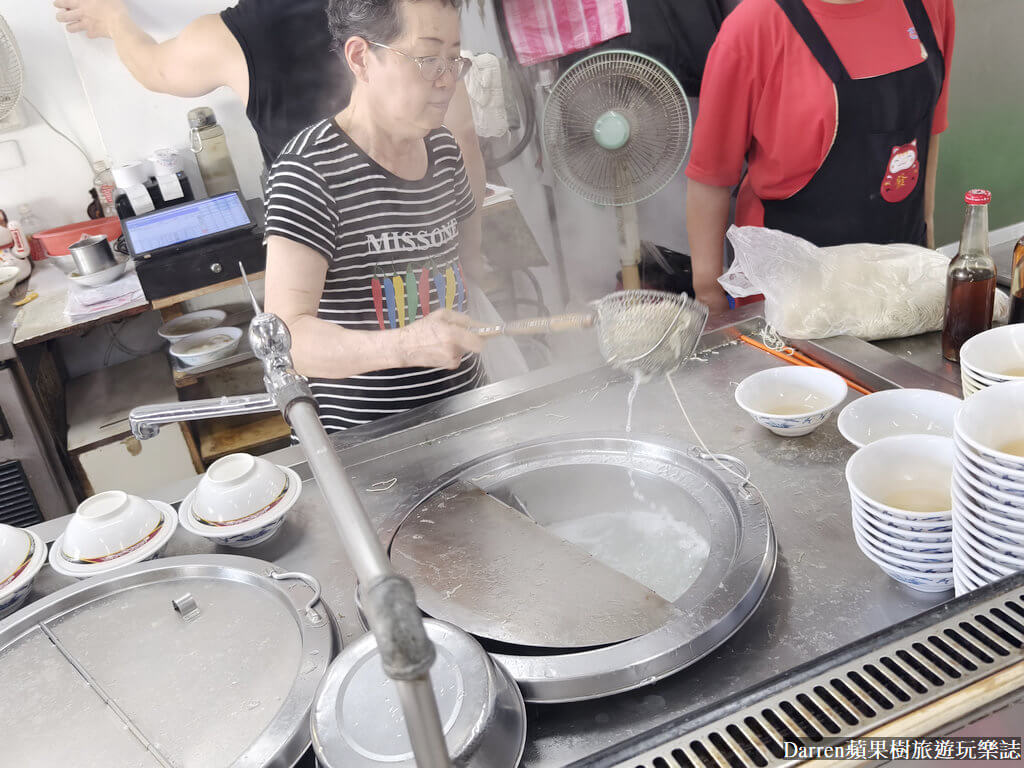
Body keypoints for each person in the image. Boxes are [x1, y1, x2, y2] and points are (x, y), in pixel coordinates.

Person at [260, 0, 485, 434]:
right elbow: (287, 340)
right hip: (373, 446)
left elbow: (468, 269)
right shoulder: (309, 173)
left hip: (467, 415)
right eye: (428, 59)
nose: (446, 80)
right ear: (362, 58)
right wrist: (405, 345)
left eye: (455, 60)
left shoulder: (443, 150)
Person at [51, 0, 485, 202]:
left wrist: (113, 19)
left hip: (330, 267)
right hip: (431, 237)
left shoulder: (233, 34)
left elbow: (155, 69)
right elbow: (462, 136)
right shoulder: (410, 9)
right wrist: (469, 251)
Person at [685, 0, 955, 313]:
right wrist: (710, 299)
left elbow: (930, 131)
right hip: (788, 301)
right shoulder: (754, 27)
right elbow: (711, 177)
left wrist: (929, 251)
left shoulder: (931, 6)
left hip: (901, 282)